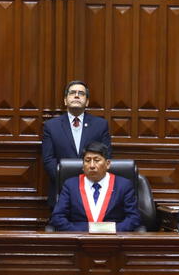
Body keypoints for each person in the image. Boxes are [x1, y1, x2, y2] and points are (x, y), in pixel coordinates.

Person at [42, 80, 111, 208]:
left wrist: (87, 181)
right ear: (65, 100)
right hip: (62, 191)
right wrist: (70, 184)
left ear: (87, 101)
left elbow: (105, 157)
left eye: (81, 93)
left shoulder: (100, 125)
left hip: (93, 190)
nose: (77, 95)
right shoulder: (51, 126)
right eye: (72, 93)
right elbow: (48, 160)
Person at [49, 142, 140, 232]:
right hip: (79, 239)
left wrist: (111, 230)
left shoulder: (123, 185)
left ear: (107, 164)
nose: (92, 165)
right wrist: (82, 232)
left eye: (97, 160)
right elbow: (57, 217)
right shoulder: (70, 185)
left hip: (113, 240)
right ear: (83, 165)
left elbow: (134, 218)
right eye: (87, 160)